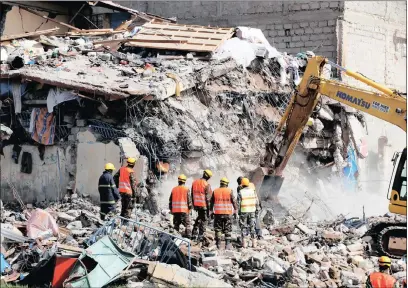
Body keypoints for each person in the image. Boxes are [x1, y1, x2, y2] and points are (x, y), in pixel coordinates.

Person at [210, 177, 238, 250]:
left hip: (218, 213)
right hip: (227, 213)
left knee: (218, 229)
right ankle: (227, 245)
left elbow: (211, 203)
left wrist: (211, 211)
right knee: (227, 229)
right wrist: (235, 211)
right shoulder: (229, 191)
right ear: (227, 184)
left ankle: (218, 244)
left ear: (220, 183)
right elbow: (234, 202)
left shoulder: (215, 191)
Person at [237, 178, 260, 248]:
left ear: (242, 184)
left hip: (244, 211)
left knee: (243, 227)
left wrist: (239, 212)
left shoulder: (240, 192)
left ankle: (244, 244)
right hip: (252, 211)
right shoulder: (253, 191)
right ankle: (254, 244)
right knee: (252, 227)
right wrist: (257, 211)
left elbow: (238, 204)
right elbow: (257, 202)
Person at [191, 169, 213, 241]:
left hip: (196, 205)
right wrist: (210, 209)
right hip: (204, 206)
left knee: (199, 218)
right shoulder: (207, 185)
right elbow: (208, 199)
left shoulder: (194, 182)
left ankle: (194, 234)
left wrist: (194, 205)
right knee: (204, 220)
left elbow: (192, 194)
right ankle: (200, 236)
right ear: (209, 177)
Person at [169, 174, 193, 238]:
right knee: (187, 225)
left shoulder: (174, 189)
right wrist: (190, 209)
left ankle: (174, 237)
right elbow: (189, 201)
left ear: (178, 181)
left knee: (176, 225)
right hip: (184, 211)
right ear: (184, 181)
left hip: (176, 211)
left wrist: (171, 209)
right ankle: (188, 238)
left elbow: (170, 201)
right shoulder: (186, 189)